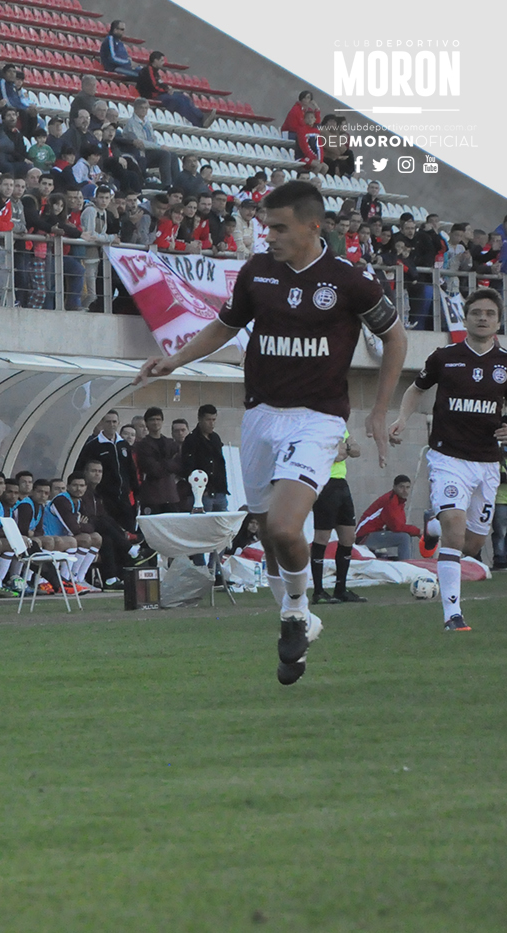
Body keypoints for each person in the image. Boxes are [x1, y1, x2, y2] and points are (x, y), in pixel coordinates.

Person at [139, 180, 407, 686]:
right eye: (266, 227)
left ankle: (296, 612)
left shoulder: (350, 279)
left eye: (280, 228)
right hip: (261, 415)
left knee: (284, 529)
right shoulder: (257, 272)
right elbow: (224, 326)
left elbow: (394, 337)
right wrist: (175, 360)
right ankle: (299, 621)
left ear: (313, 226)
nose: (269, 236)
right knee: (267, 530)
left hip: (317, 419)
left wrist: (378, 411)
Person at [388, 288, 507, 631]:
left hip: (487, 462)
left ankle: (432, 526)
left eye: (490, 313)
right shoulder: (445, 357)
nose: (482, 318)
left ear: (498, 322)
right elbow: (416, 389)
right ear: (465, 318)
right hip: (447, 457)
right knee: (455, 530)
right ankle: (452, 615)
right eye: (476, 313)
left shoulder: (505, 364)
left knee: (472, 544)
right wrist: (402, 418)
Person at [310, 432, 364, 604]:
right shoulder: (320, 429)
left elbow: (356, 451)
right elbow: (333, 455)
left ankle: (341, 589)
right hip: (325, 484)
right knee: (322, 537)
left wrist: (344, 447)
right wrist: (345, 448)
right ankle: (318, 591)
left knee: (348, 537)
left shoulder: (342, 429)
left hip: (341, 484)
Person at [74, 411, 136, 529]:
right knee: (110, 526)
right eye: (108, 422)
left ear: (118, 423)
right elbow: (81, 468)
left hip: (123, 495)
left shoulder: (123, 445)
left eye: (114, 422)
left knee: (129, 526)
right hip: (104, 495)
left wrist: (135, 490)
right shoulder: (93, 445)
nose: (111, 425)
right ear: (102, 423)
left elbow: (131, 469)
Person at [180, 404, 229, 512]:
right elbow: (187, 466)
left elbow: (220, 464)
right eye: (208, 420)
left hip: (219, 490)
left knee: (222, 519)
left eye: (214, 420)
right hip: (202, 493)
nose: (212, 423)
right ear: (200, 419)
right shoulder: (191, 439)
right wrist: (200, 489)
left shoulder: (215, 438)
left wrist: (223, 487)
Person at [134, 407, 182, 514]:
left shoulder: (171, 443)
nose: (155, 422)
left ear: (162, 421)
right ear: (146, 423)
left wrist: (162, 464)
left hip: (170, 494)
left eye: (158, 419)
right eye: (152, 420)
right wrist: (168, 463)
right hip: (152, 496)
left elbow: (178, 465)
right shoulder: (142, 445)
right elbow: (152, 469)